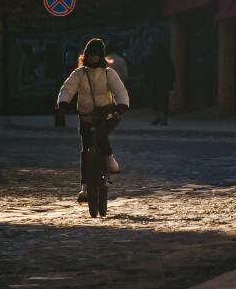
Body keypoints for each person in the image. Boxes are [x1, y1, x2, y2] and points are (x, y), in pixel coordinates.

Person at [55, 37, 130, 203]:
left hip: (106, 113)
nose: (93, 58)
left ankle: (109, 159)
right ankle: (85, 188)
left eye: (96, 55)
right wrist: (63, 103)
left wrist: (122, 105)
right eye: (90, 55)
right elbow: (68, 88)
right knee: (86, 148)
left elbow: (119, 90)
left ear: (101, 56)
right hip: (86, 115)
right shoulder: (79, 73)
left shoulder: (108, 73)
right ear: (86, 55)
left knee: (102, 134)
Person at [141, 36, 175, 125]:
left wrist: (146, 81)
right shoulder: (165, 56)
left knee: (155, 99)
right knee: (163, 99)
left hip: (155, 81)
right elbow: (171, 70)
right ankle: (163, 118)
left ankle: (158, 116)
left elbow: (147, 70)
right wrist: (171, 81)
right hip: (163, 81)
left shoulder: (151, 56)